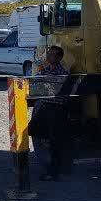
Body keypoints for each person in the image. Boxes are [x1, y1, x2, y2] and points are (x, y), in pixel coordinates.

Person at [29, 46, 73, 180]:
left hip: (53, 111)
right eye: (48, 54)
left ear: (59, 58)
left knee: (52, 141)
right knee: (44, 138)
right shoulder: (48, 70)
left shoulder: (60, 73)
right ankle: (50, 168)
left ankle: (52, 170)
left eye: (52, 55)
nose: (49, 57)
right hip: (46, 110)